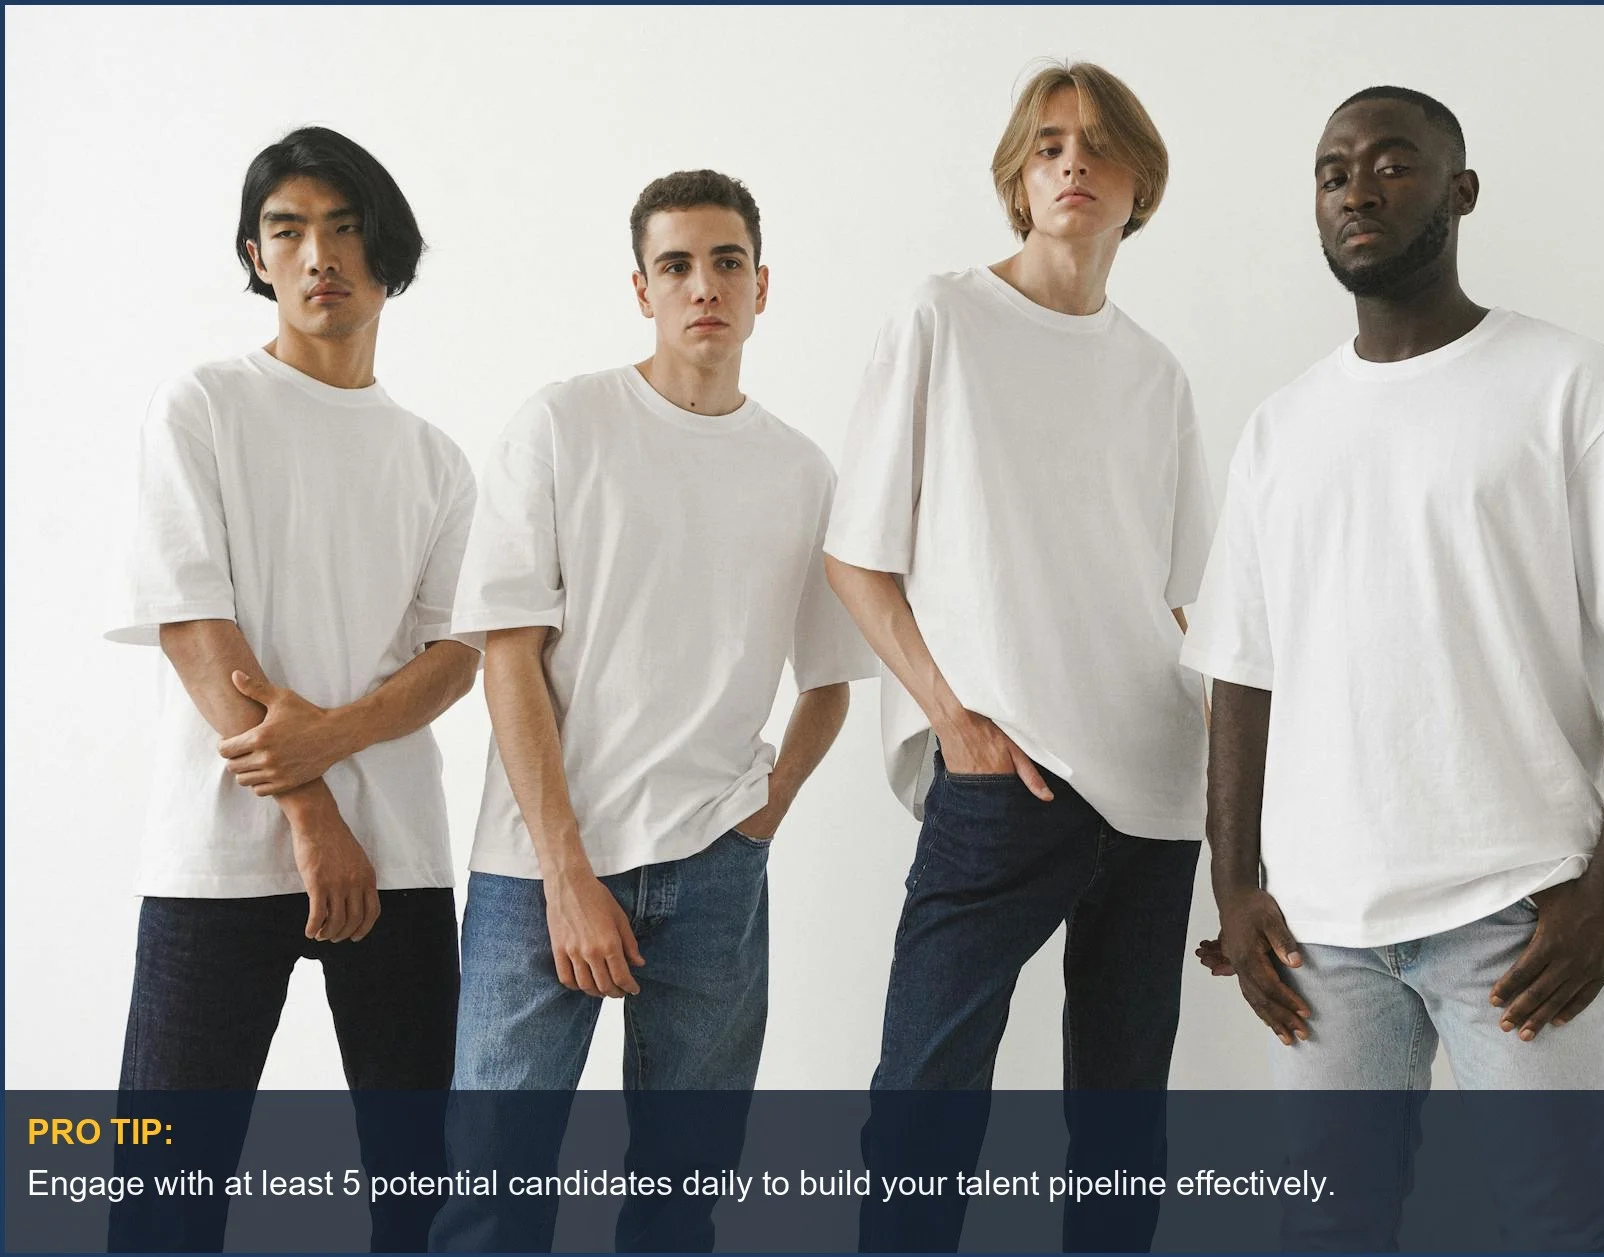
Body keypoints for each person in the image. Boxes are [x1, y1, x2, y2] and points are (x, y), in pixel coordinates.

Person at [1184, 86, 1604, 1250]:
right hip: (1319, 933)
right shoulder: (1281, 430)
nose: (1356, 189)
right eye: (1332, 172)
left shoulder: (1571, 387)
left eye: (1391, 164)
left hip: (1519, 917)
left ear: (1461, 191)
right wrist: (1234, 887)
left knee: (1571, 1230)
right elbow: (1240, 671)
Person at [430, 169, 874, 1254]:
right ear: (641, 289)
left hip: (715, 871)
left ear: (762, 286)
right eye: (675, 265)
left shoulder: (801, 471)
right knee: (491, 1196)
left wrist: (761, 815)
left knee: (680, 1200)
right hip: (539, 868)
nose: (702, 286)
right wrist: (566, 874)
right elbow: (506, 656)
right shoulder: (563, 425)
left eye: (727, 262)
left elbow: (830, 679)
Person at [823, 61, 1213, 1253]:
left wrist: (1231, 790)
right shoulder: (942, 319)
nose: (1071, 163)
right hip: (1004, 777)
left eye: (1097, 145)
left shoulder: (1155, 374)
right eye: (1046, 145)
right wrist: (953, 720)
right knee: (921, 1112)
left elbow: (1181, 606)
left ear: (1140, 183)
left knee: (1119, 1129)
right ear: (1016, 177)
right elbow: (855, 557)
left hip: (1155, 788)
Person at [104, 125, 479, 1252]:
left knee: (419, 1195)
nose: (320, 254)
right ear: (256, 256)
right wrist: (311, 807)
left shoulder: (435, 460)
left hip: (399, 859)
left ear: (389, 250)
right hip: (221, 852)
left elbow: (454, 655)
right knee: (163, 1196)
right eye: (289, 230)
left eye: (347, 227)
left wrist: (334, 739)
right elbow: (191, 621)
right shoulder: (204, 405)